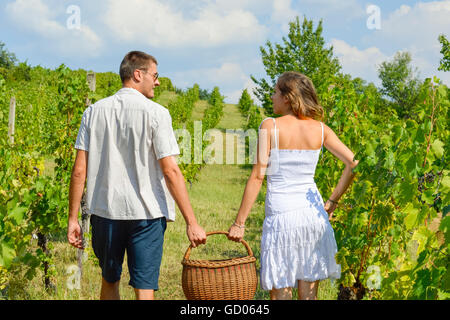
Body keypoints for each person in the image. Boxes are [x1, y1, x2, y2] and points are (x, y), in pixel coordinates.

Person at [67, 51, 207, 300]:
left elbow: (79, 171)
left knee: (109, 280)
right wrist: (192, 222)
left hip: (105, 213)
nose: (158, 81)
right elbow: (171, 170)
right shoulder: (157, 114)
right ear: (137, 74)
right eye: (155, 75)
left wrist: (73, 218)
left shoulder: (93, 112)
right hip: (147, 215)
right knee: (144, 287)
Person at [228, 71, 358, 300]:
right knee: (308, 297)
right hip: (313, 216)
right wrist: (333, 200)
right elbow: (353, 163)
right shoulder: (320, 129)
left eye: (276, 91)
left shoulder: (270, 126)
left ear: (287, 97)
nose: (271, 97)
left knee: (281, 295)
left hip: (282, 217)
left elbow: (258, 176)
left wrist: (239, 223)